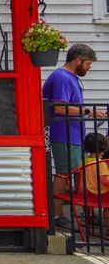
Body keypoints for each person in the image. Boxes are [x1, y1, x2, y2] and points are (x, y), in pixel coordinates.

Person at [43, 43, 107, 228]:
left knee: (78, 174)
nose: (89, 67)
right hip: (64, 134)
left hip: (73, 134)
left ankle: (83, 214)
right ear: (77, 60)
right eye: (88, 63)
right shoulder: (62, 78)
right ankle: (56, 216)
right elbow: (59, 108)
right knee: (64, 173)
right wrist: (89, 112)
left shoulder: (69, 77)